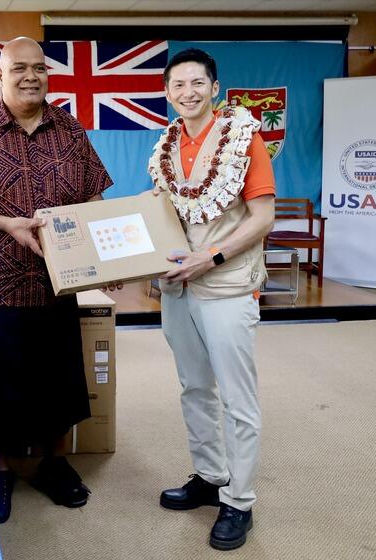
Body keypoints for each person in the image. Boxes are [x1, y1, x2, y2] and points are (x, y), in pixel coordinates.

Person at [0, 37, 113, 524]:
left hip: (57, 283)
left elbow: (95, 198)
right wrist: (3, 222)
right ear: (0, 74)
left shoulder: (70, 132)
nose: (30, 76)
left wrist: (108, 256)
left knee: (58, 382)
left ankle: (54, 463)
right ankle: (0, 468)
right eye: (19, 68)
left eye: (38, 68)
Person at [149, 48, 276, 551]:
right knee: (194, 387)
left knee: (238, 398)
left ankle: (239, 501)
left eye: (197, 83)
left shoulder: (246, 139)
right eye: (178, 84)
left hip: (226, 283)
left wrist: (213, 257)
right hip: (178, 286)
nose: (188, 92)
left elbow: (262, 217)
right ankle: (209, 476)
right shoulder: (163, 145)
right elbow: (159, 218)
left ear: (215, 87)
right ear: (167, 92)